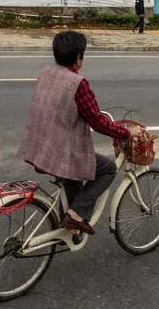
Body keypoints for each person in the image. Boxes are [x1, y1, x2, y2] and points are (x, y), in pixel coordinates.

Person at [18, 31, 144, 236]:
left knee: (72, 177)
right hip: (61, 152)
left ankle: (65, 225)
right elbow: (96, 120)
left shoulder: (46, 73)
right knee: (109, 168)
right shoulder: (78, 84)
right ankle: (76, 215)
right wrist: (126, 133)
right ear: (78, 57)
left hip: (39, 146)